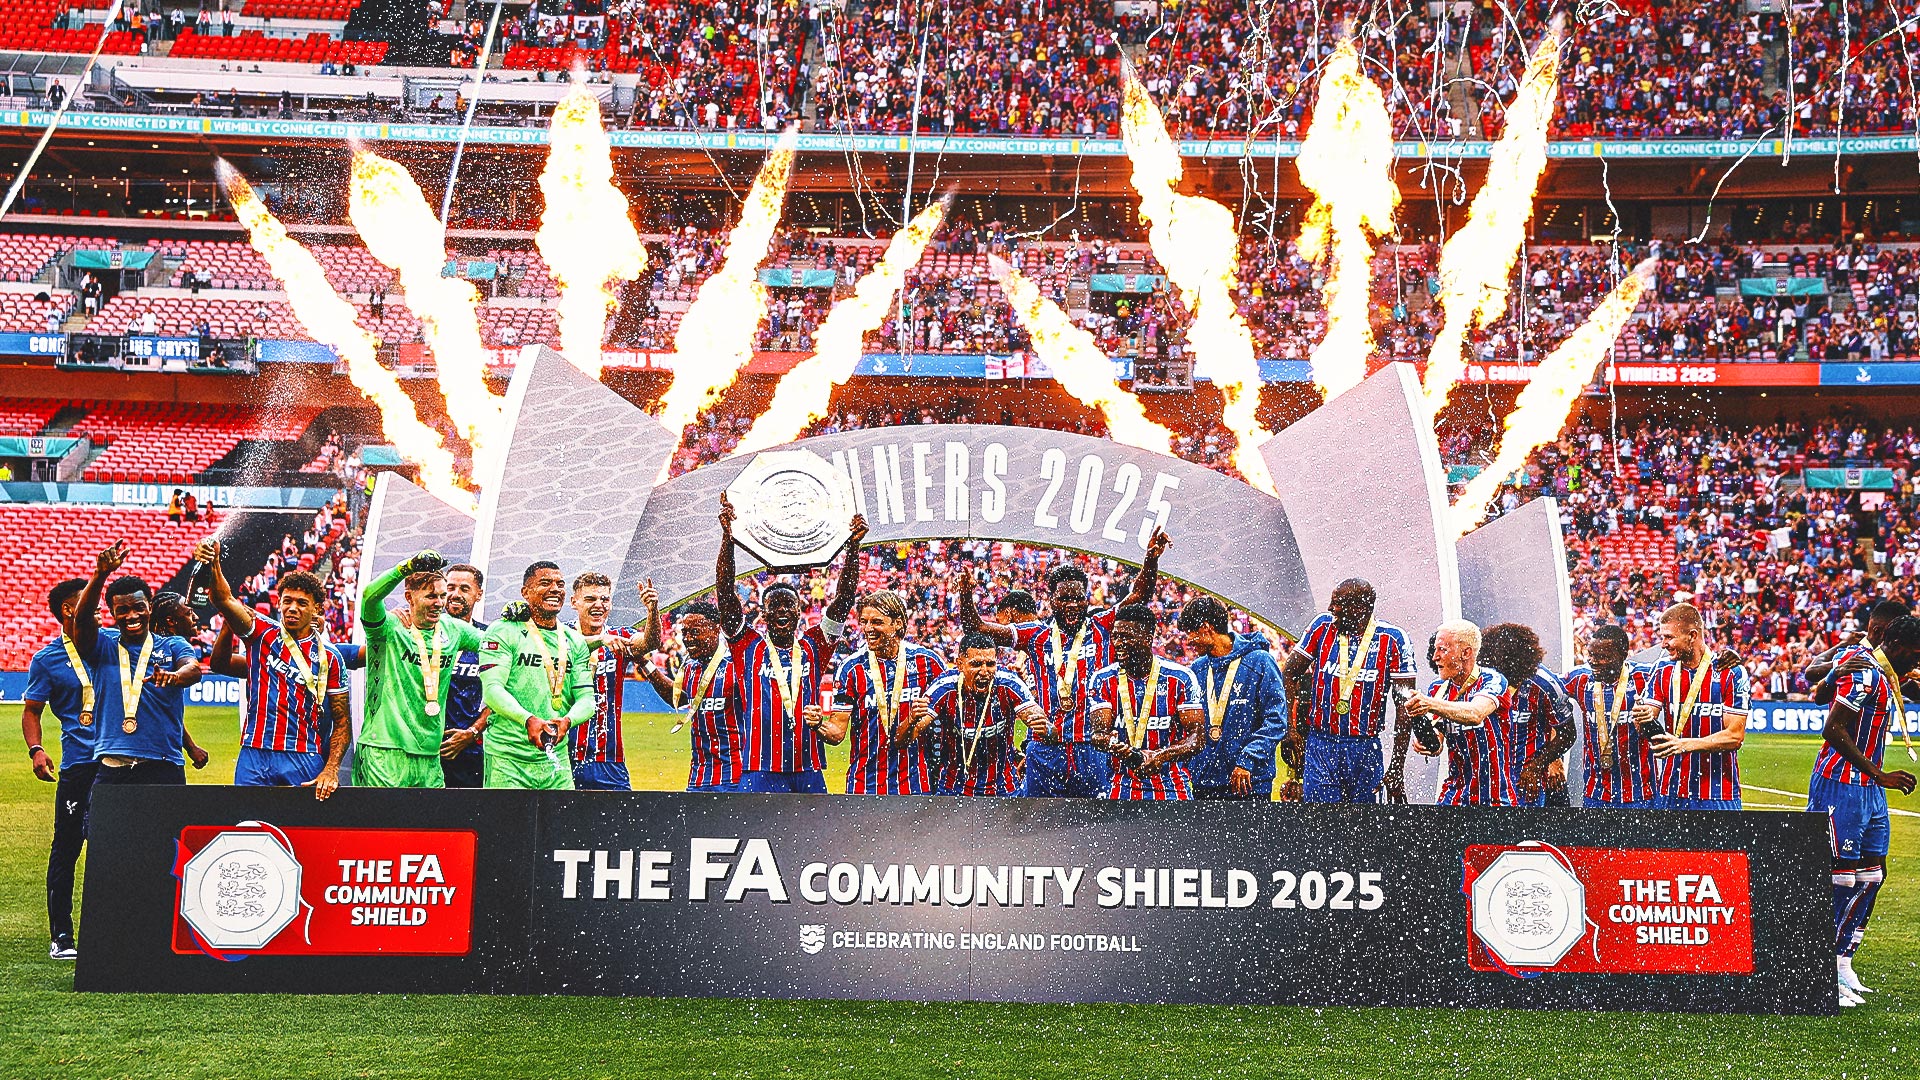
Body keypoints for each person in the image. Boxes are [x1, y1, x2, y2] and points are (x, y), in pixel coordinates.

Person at [957, 529, 1171, 798]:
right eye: (1064, 598)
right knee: (1038, 824)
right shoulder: (1036, 634)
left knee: (1093, 826)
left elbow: (1139, 594)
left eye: (1077, 598)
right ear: (1051, 600)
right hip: (1047, 746)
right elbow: (976, 628)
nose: (1072, 604)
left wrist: (1151, 560)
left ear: (1086, 598)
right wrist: (965, 594)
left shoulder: (1102, 626)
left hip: (1093, 746)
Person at [714, 494, 862, 794]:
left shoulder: (814, 646)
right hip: (759, 768)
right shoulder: (748, 647)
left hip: (807, 768)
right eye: (775, 606)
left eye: (788, 605)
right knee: (754, 838)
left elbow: (844, 600)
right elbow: (726, 594)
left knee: (817, 839)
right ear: (763, 613)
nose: (782, 610)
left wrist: (853, 546)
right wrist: (728, 538)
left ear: (799, 611)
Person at [1807, 614, 1920, 1005]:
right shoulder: (1865, 671)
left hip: (1867, 788)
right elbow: (1832, 728)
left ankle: (1841, 960)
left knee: (1873, 875)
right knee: (1839, 878)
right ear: (1899, 646)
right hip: (1841, 783)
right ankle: (1817, 969)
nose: (1916, 662)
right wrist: (1881, 773)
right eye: (1916, 655)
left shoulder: (1887, 673)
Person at [195, 538, 349, 797]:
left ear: (317, 609)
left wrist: (331, 768)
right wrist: (214, 563)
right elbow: (223, 599)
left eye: (302, 603)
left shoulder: (331, 657)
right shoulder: (262, 633)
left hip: (303, 753)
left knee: (301, 832)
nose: (292, 608)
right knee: (247, 827)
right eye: (287, 601)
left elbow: (342, 722)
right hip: (254, 751)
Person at [73, 541, 205, 786]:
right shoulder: (103, 645)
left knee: (167, 826)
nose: (131, 616)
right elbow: (80, 622)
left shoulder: (172, 644)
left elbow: (193, 669)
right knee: (105, 826)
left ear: (150, 608)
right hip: (113, 763)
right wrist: (99, 575)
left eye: (138, 608)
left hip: (164, 763)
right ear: (112, 613)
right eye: (122, 610)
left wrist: (174, 677)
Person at [1279, 579, 1417, 803]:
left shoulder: (1393, 639)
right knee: (1321, 822)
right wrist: (1289, 729)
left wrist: (1397, 766)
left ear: (1360, 608)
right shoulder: (1322, 627)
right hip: (1321, 744)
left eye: (1338, 604)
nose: (1330, 609)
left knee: (1363, 827)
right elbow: (1289, 673)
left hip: (1364, 747)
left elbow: (1405, 705)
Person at [357, 550, 484, 788]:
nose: (439, 603)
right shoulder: (389, 627)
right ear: (409, 597)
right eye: (430, 596)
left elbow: (498, 645)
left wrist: (516, 624)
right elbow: (369, 597)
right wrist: (405, 567)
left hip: (430, 754)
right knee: (385, 825)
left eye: (441, 596)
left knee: (430, 825)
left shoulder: (453, 629)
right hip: (385, 749)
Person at [22, 579, 94, 960]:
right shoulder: (47, 659)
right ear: (69, 609)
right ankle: (61, 935)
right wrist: (36, 749)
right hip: (79, 766)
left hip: (120, 763)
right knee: (67, 849)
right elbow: (32, 710)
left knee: (118, 848)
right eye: (87, 601)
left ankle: (114, 932)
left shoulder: (113, 645)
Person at [482, 562, 597, 790]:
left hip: (556, 759)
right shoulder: (503, 631)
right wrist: (528, 720)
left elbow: (587, 700)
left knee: (563, 826)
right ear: (525, 592)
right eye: (545, 583)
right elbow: (492, 690)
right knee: (505, 826)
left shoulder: (574, 642)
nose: (555, 589)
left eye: (560, 584)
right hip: (508, 759)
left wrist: (568, 720)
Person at [1634, 602, 1752, 811]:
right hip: (1671, 791)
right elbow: (1645, 726)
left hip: (1718, 794)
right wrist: (1642, 718)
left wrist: (1684, 744)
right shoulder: (1662, 669)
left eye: (1669, 637)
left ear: (1692, 635)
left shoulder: (1730, 672)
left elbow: (1735, 737)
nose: (1663, 644)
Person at [829, 589, 948, 794]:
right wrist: (817, 724)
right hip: (865, 784)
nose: (868, 628)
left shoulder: (928, 662)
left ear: (898, 623)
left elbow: (949, 718)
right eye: (864, 621)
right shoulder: (851, 669)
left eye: (876, 622)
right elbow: (837, 731)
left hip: (917, 784)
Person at [1088, 604, 1204, 800]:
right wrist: (1119, 747)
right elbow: (1098, 735)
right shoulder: (1103, 679)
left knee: (1178, 831)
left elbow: (1198, 738)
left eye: (1126, 637)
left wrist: (1161, 756)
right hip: (1123, 782)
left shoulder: (1181, 678)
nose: (1118, 643)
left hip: (1171, 783)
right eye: (1116, 636)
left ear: (1147, 638)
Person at [1177, 597, 1288, 800]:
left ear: (1205, 628)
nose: (1188, 641)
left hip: (1249, 781)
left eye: (1190, 633)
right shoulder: (1197, 669)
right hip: (1206, 782)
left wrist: (1248, 759)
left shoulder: (1260, 662)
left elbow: (1276, 720)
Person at [565, 573, 661, 791]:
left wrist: (652, 611)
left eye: (604, 599)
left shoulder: (620, 636)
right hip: (564, 754)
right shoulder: (560, 636)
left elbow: (650, 642)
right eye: (590, 599)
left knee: (618, 822)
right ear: (574, 602)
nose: (598, 605)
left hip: (609, 757)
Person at [1403, 620, 1514, 807]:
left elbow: (1476, 713)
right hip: (1453, 795)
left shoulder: (1493, 680)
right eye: (1435, 650)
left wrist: (1429, 704)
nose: (1435, 657)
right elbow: (1437, 746)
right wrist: (1423, 734)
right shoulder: (1437, 689)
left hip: (1493, 797)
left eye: (1442, 650)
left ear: (1466, 652)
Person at [925, 632, 1044, 796]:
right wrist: (912, 719)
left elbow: (1042, 723)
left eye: (990, 664)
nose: (984, 671)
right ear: (960, 664)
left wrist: (1042, 726)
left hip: (1004, 789)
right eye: (976, 664)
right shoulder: (945, 685)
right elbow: (908, 735)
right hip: (953, 790)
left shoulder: (1008, 682)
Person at [641, 600, 737, 791]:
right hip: (698, 777)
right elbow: (678, 697)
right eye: (685, 633)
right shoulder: (690, 667)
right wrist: (644, 663)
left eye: (695, 631)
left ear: (716, 628)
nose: (689, 639)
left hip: (735, 776)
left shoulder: (736, 666)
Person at [1478, 623, 1576, 807]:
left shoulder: (1546, 685)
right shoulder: (1482, 680)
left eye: (1511, 679)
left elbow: (1567, 734)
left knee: (1527, 834)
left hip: (1526, 780)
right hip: (1488, 777)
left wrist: (1538, 765)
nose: (1504, 684)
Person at [1562, 624, 1658, 808]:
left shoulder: (1645, 677)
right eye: (1591, 655)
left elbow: (1690, 670)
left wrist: (1727, 660)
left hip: (1641, 794)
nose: (1593, 662)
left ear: (1622, 655)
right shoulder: (1579, 679)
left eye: (1602, 657)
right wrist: (1553, 759)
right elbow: (1545, 692)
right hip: (1596, 793)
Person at [437, 563, 488, 788]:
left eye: (464, 589)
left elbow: (503, 693)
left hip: (471, 749)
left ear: (479, 594)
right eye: (450, 587)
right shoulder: (424, 634)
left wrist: (472, 732)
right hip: (428, 747)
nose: (455, 594)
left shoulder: (489, 638)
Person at [1806, 600, 1913, 704]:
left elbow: (1910, 688)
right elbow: (1811, 673)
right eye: (1897, 634)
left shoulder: (1892, 659)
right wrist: (1841, 646)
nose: (1900, 640)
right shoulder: (1855, 654)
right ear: (1878, 631)